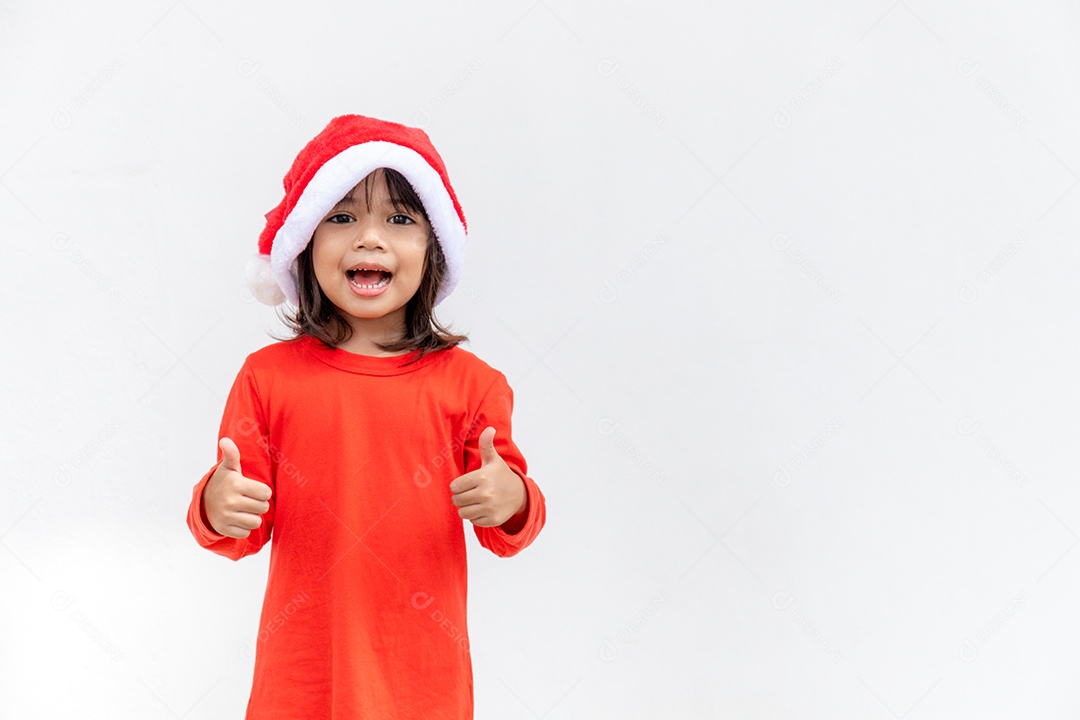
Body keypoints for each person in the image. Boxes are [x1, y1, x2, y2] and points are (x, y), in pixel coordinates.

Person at [184, 114, 547, 719]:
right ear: (305, 243)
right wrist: (215, 505)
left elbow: (508, 528)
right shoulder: (266, 377)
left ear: (435, 247)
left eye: (400, 219)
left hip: (422, 684)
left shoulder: (474, 386)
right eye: (342, 216)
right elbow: (237, 527)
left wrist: (510, 497)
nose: (370, 239)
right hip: (301, 684)